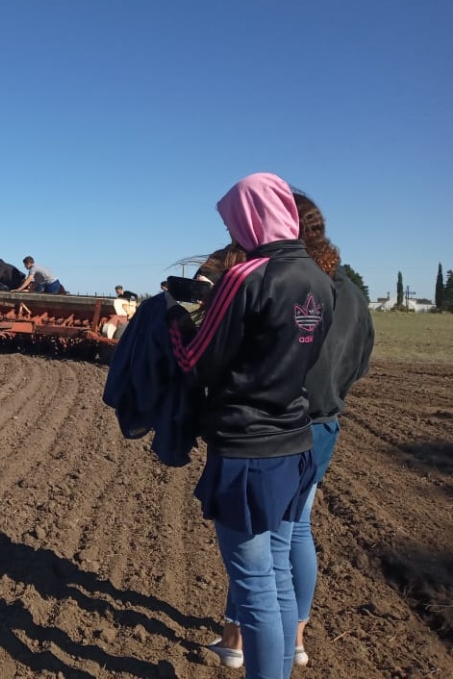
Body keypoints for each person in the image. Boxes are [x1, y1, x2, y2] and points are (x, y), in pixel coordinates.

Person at [166, 173, 334, 679]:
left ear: (251, 217)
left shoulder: (249, 277)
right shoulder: (320, 280)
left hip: (247, 449)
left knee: (255, 586)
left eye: (232, 221)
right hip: (295, 441)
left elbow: (195, 359)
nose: (232, 232)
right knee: (278, 578)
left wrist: (174, 317)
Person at [206, 193, 374, 671]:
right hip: (321, 427)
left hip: (275, 429)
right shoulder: (348, 291)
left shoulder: (281, 283)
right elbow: (360, 362)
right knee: (294, 534)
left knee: (264, 556)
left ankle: (241, 643)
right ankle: (294, 640)